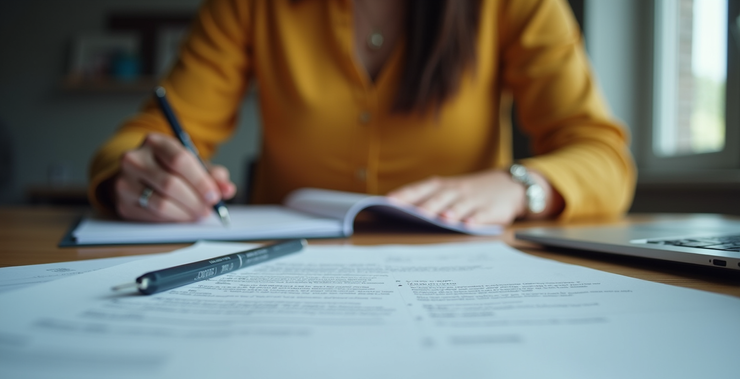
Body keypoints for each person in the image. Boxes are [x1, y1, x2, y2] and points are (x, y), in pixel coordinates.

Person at [88, 0, 636, 226]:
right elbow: (144, 137)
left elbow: (605, 157)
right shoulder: (248, 7)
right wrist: (135, 175)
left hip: (465, 283)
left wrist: (521, 185)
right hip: (284, 280)